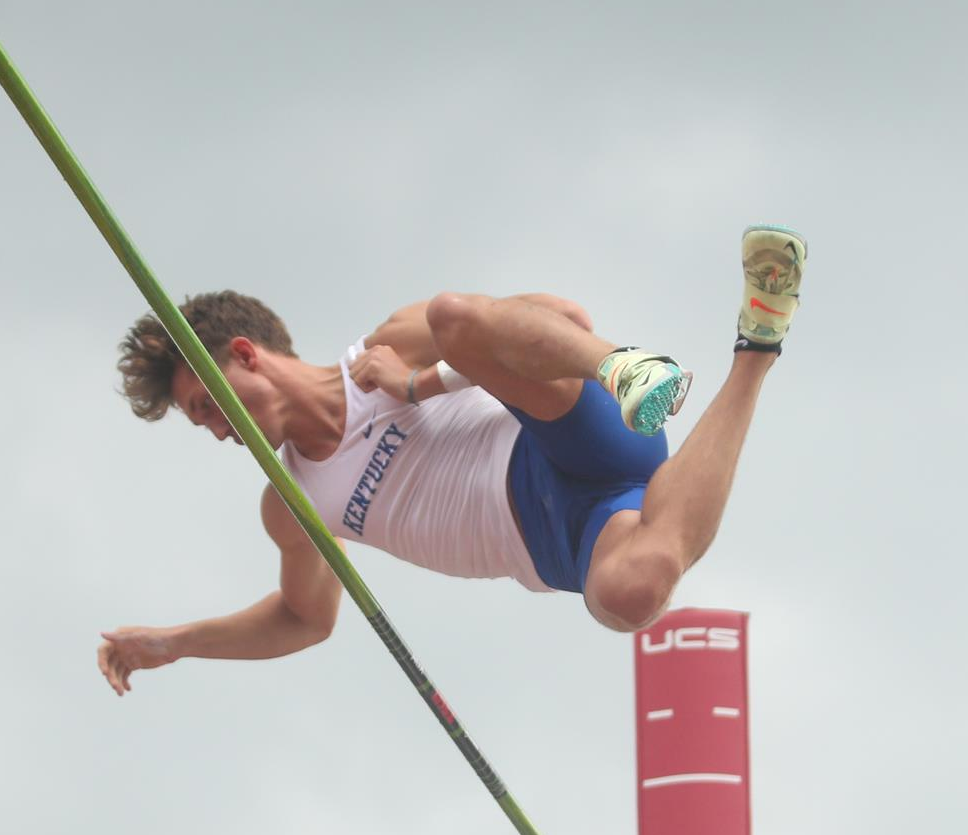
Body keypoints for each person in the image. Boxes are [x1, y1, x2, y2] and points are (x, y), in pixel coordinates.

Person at [95, 226, 807, 695]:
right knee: (633, 591)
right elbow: (302, 618)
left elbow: (555, 314)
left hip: (561, 429)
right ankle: (757, 349)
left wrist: (412, 380)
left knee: (454, 319)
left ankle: (633, 372)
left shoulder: (382, 347)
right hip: (561, 533)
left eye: (206, 406)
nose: (217, 431)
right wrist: (174, 643)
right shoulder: (292, 501)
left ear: (245, 356)